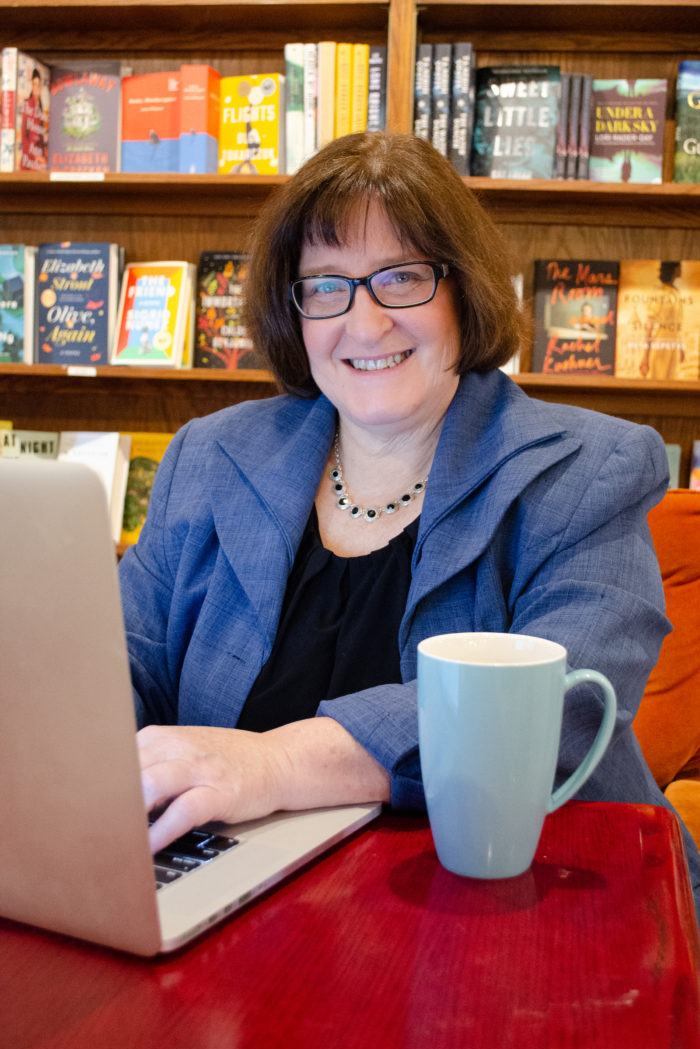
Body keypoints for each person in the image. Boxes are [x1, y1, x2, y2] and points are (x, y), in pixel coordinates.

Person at [119, 130, 700, 919]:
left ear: (465, 291)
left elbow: (562, 706)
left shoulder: (584, 469)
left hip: (534, 912)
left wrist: (272, 761)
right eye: (326, 285)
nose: (364, 322)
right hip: (240, 912)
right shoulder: (211, 456)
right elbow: (124, 662)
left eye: (401, 278)